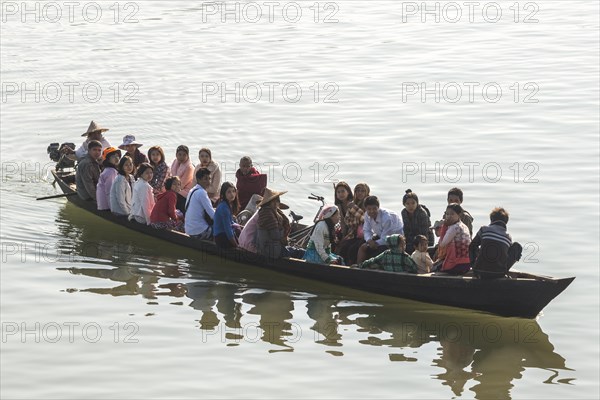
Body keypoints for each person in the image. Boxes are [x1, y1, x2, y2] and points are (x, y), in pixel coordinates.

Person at [469, 207, 523, 279]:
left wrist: (473, 264)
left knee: (476, 246)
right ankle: (503, 270)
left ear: (491, 220)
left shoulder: (484, 229)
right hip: (498, 273)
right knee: (517, 246)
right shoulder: (508, 237)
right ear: (506, 222)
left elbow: (471, 246)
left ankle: (476, 266)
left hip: (478, 270)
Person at [256, 188, 304, 259]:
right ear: (269, 203)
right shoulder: (267, 214)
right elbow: (275, 236)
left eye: (277, 201)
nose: (276, 204)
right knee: (300, 253)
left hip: (271, 248)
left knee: (298, 251)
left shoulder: (268, 212)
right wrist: (282, 231)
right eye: (274, 201)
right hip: (271, 251)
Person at [356, 195, 404, 265]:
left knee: (374, 252)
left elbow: (386, 239)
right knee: (360, 246)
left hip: (394, 240)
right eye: (369, 209)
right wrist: (369, 240)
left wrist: (374, 243)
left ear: (378, 208)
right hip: (381, 236)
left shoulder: (386, 218)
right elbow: (366, 230)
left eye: (374, 208)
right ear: (365, 208)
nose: (372, 211)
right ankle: (358, 267)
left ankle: (368, 268)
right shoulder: (367, 215)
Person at [336, 182, 370, 265]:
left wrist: (353, 208)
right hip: (352, 233)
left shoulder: (368, 203)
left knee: (352, 249)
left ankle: (351, 266)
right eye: (358, 191)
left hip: (365, 234)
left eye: (362, 191)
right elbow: (347, 221)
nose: (360, 193)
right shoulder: (354, 203)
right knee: (341, 246)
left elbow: (366, 219)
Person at [435, 203, 472, 275]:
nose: (449, 217)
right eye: (447, 214)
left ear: (459, 215)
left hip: (455, 265)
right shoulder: (464, 226)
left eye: (452, 214)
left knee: (434, 267)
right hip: (467, 264)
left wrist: (444, 226)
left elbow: (442, 244)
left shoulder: (454, 228)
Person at [185, 168, 215, 240]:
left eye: (209, 179)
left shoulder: (192, 190)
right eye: (205, 179)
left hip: (189, 229)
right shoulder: (202, 193)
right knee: (223, 230)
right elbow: (213, 215)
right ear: (198, 180)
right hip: (199, 231)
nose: (208, 182)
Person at [401, 189, 433, 254]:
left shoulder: (422, 213)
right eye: (407, 204)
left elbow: (424, 232)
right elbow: (406, 230)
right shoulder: (404, 212)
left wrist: (416, 244)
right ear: (404, 204)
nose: (410, 206)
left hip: (425, 239)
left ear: (417, 203)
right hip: (411, 238)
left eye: (413, 203)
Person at [213, 182, 241, 249]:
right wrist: (236, 246)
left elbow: (231, 222)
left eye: (233, 191)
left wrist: (240, 227)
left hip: (224, 234)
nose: (232, 194)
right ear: (223, 194)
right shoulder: (224, 208)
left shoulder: (227, 205)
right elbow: (228, 230)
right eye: (229, 192)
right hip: (221, 237)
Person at [170, 145, 195, 210]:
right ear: (176, 155)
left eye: (184, 155)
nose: (182, 157)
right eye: (179, 154)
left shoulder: (189, 167)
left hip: (186, 190)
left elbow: (182, 184)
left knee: (173, 196)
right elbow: (170, 176)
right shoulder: (175, 162)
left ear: (188, 156)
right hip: (175, 187)